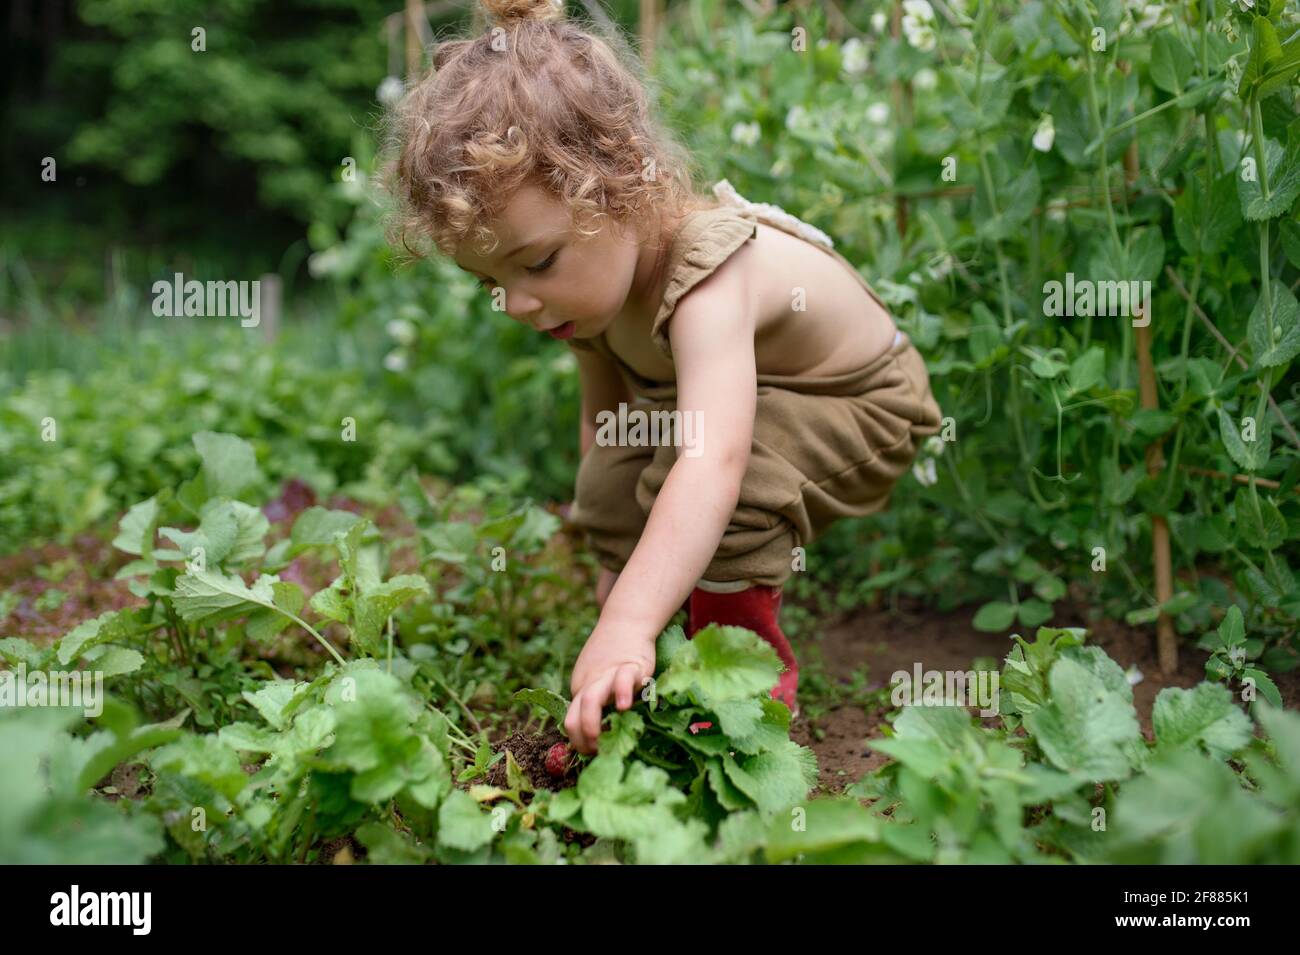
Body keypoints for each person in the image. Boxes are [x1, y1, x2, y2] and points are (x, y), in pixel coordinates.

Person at [384, 0, 943, 754]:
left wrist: (625, 623)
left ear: (620, 188)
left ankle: (737, 689)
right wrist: (622, 571)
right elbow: (604, 433)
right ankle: (670, 638)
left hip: (863, 404)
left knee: (733, 486)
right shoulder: (582, 298)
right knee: (613, 479)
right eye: (486, 275)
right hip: (729, 412)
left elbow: (716, 460)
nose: (514, 302)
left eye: (537, 262)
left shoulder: (709, 275)